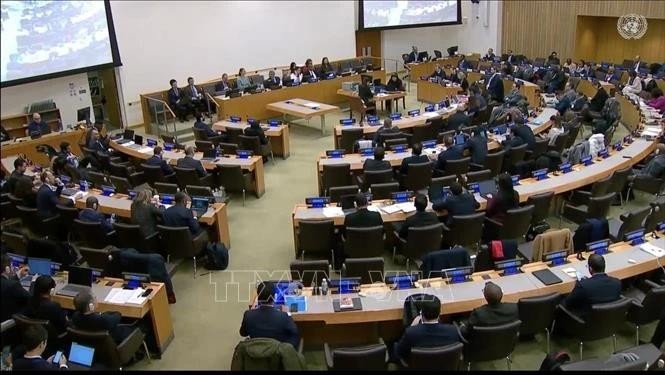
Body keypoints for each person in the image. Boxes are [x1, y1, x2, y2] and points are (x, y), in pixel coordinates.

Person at [393, 295, 460, 363]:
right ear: (440, 312)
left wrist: (412, 327)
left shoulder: (411, 333)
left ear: (422, 313)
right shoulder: (453, 330)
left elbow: (398, 353)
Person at [239, 281, 300, 348]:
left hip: (255, 353)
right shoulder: (284, 317)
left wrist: (252, 311)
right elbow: (295, 333)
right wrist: (288, 314)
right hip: (276, 354)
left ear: (258, 297)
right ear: (275, 297)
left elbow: (243, 333)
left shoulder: (248, 315)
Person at [1, 253, 31, 322]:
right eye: (11, 266)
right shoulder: (14, 285)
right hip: (9, 325)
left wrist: (18, 275)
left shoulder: (10, 284)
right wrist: (33, 283)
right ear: (7, 269)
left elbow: (6, 284)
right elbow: (30, 298)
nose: (13, 269)